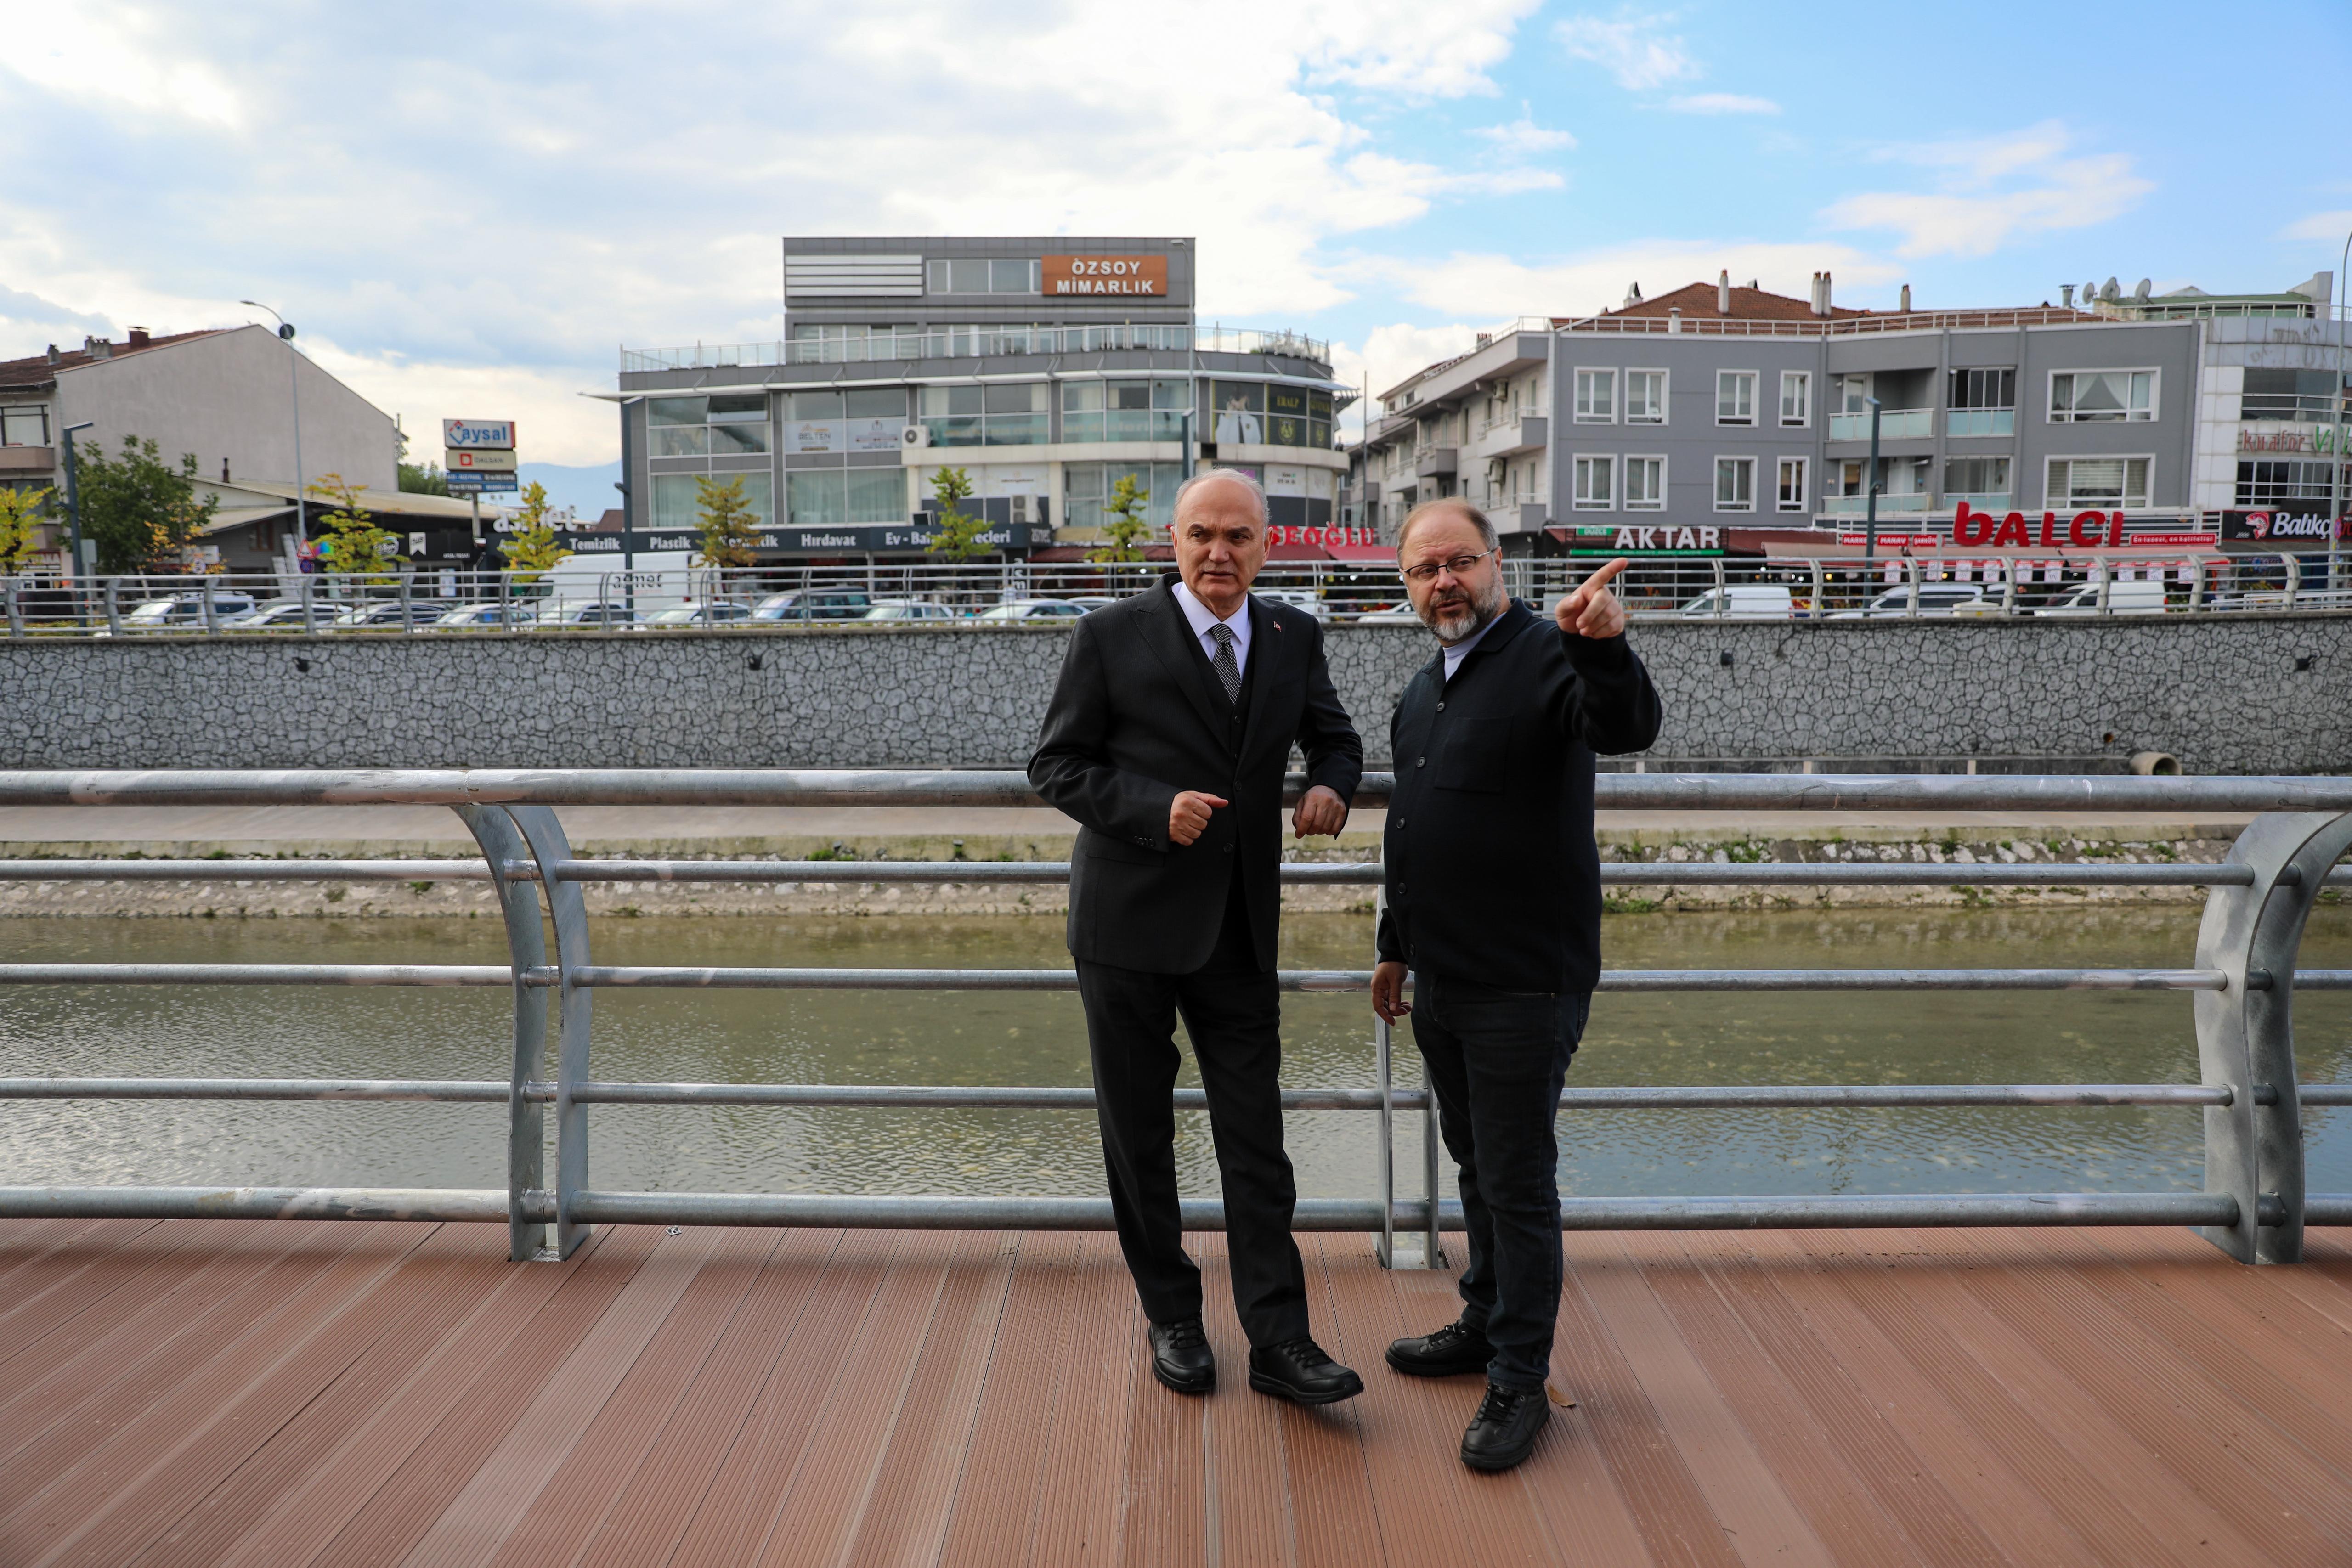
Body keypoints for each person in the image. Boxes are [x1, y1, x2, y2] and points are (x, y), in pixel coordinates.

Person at [1030, 467, 1367, 1405]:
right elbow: (1055, 764)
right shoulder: (1108, 635)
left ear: (1268, 545)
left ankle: (1279, 1338)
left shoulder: (1294, 635)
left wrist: (1332, 784)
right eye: (1202, 535)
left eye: (1238, 537)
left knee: (1257, 1141)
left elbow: (1335, 738)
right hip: (1126, 925)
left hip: (1240, 928)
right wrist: (1152, 809)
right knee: (1138, 1136)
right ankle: (1172, 1316)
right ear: (1172, 542)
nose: (1219, 553)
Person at [1370, 499, 1662, 1472]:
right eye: (1424, 570)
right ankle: (1484, 1319)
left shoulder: (1548, 653)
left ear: (1497, 561)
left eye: (1459, 561)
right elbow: (1411, 826)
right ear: (1406, 585)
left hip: (1524, 982)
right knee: (1476, 1168)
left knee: (1518, 1184)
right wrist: (1395, 944)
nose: (1443, 582)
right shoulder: (1425, 685)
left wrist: (1603, 648)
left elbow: (1623, 726)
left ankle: (1520, 1378)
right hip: (1443, 978)